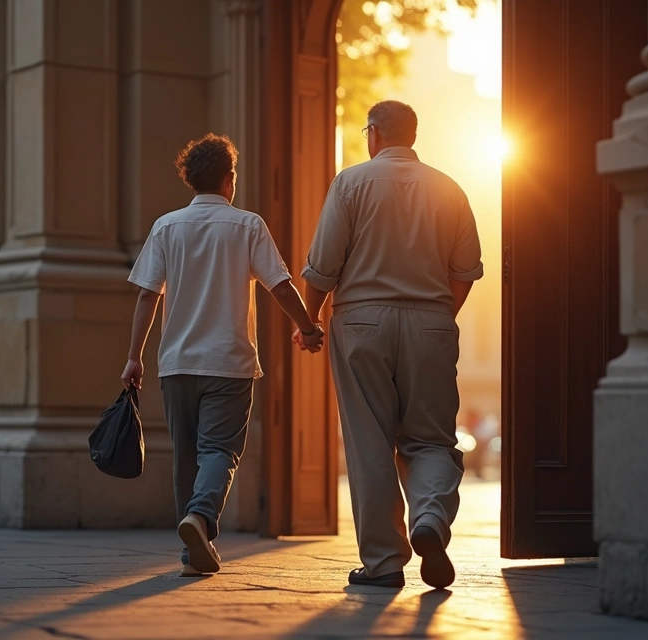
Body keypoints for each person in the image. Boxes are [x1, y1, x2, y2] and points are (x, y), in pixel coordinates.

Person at [297, 101, 483, 590]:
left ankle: (382, 563)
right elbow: (465, 273)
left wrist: (309, 320)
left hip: (361, 322)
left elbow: (323, 267)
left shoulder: (350, 183)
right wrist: (438, 318)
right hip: (432, 322)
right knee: (432, 438)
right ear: (413, 136)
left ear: (374, 133)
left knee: (370, 441)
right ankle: (430, 519)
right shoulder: (451, 188)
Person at [122, 133, 324, 577]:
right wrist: (307, 327)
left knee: (186, 456)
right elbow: (280, 285)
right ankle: (199, 520)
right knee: (221, 450)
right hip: (228, 362)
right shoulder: (247, 225)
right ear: (229, 179)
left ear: (190, 179)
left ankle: (192, 550)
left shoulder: (166, 226)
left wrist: (134, 356)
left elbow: (146, 298)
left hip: (175, 364)